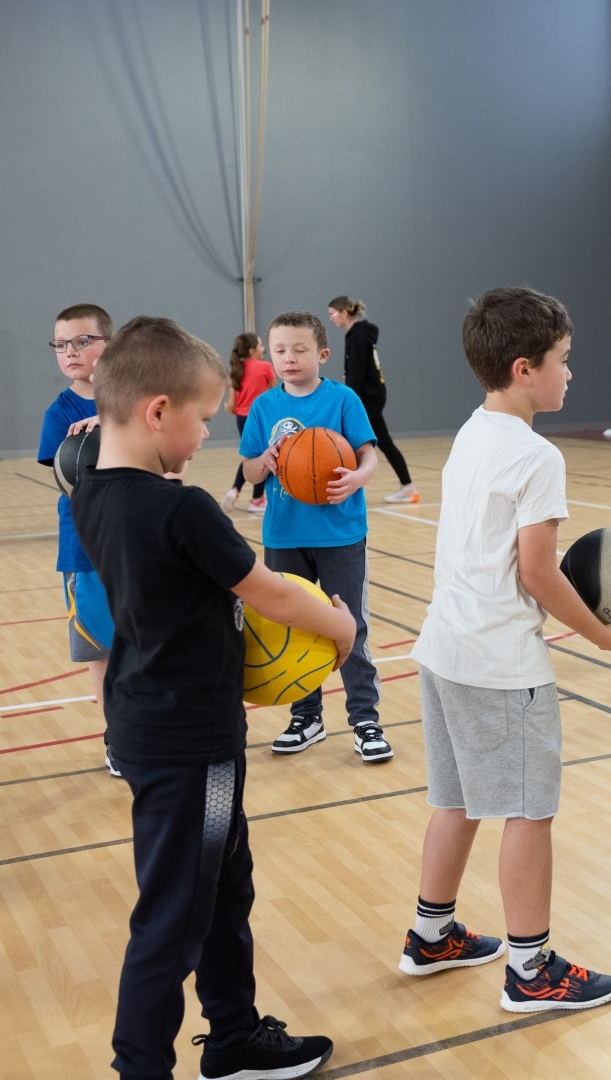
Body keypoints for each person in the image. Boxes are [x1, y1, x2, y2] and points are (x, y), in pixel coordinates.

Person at [73, 315, 354, 1080]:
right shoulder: (181, 509)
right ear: (157, 410)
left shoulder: (91, 493)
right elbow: (271, 594)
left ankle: (232, 1038)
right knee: (174, 917)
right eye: (201, 419)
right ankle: (141, 1068)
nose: (207, 437)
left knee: (226, 887)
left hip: (146, 723)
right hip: (192, 742)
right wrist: (342, 624)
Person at [401, 286, 611, 1012]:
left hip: (444, 647)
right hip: (499, 663)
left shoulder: (472, 429)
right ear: (522, 369)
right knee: (528, 811)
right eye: (563, 361)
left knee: (456, 801)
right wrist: (602, 633)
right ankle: (531, 970)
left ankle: (431, 933)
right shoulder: (537, 457)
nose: (570, 373)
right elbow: (538, 571)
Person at [239, 311, 393, 764]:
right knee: (294, 627)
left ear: (322, 354)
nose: (289, 358)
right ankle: (307, 717)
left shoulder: (343, 399)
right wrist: (264, 462)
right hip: (284, 536)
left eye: (300, 349)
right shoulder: (265, 407)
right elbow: (249, 471)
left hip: (340, 533)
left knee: (353, 627)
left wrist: (356, 480)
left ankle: (365, 719)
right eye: (280, 350)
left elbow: (369, 456)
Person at [39, 303, 117, 776]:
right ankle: (118, 738)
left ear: (109, 343)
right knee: (102, 651)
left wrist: (113, 422)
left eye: (81, 341)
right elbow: (70, 475)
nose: (70, 352)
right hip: (86, 550)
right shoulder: (60, 412)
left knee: (146, 644)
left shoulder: (133, 402)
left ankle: (150, 728)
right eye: (60, 344)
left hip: (140, 544)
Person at [328, 296, 417, 503]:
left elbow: (356, 374)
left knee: (350, 443)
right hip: (372, 397)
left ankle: (348, 489)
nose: (331, 319)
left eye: (332, 314)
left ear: (343, 313)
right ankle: (408, 487)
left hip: (367, 398)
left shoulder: (358, 336)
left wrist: (349, 402)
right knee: (384, 442)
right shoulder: (358, 334)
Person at [221, 332, 275, 513]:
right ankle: (257, 499)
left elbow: (231, 406)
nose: (263, 349)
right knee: (262, 457)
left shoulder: (237, 370)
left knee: (251, 456)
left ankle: (234, 490)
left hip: (242, 419)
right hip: (260, 418)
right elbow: (276, 393)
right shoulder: (265, 367)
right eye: (261, 346)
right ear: (252, 350)